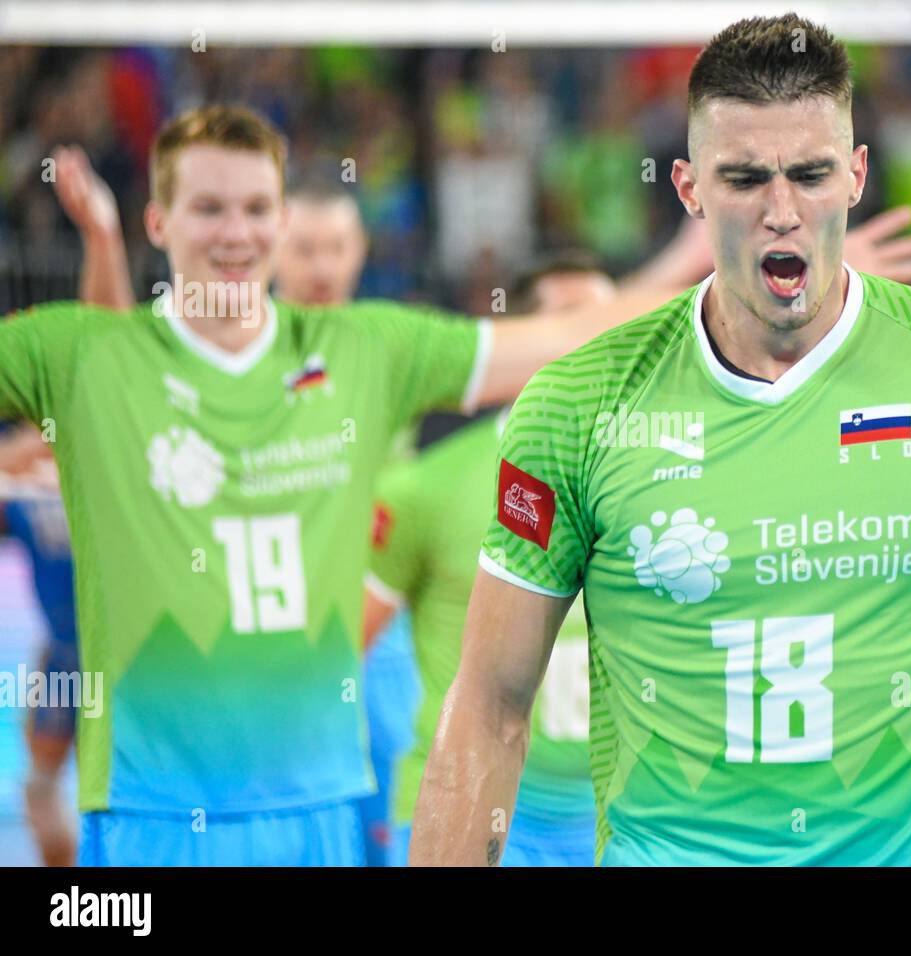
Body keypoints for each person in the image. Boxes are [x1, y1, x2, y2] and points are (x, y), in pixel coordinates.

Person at [413, 14, 911, 867]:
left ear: (856, 176)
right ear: (688, 190)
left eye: (810, 174)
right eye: (744, 178)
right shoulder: (577, 405)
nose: (781, 211)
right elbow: (489, 711)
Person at [0, 103, 681, 867]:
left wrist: (739, 280)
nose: (235, 233)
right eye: (209, 208)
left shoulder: (365, 349)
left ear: (280, 220)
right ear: (158, 222)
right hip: (149, 812)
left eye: (256, 209)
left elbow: (566, 334)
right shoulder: (81, 353)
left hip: (320, 807)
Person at [0, 424, 77, 866]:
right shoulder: (26, 461)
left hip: (127, 655)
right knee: (41, 784)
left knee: (127, 787)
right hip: (67, 652)